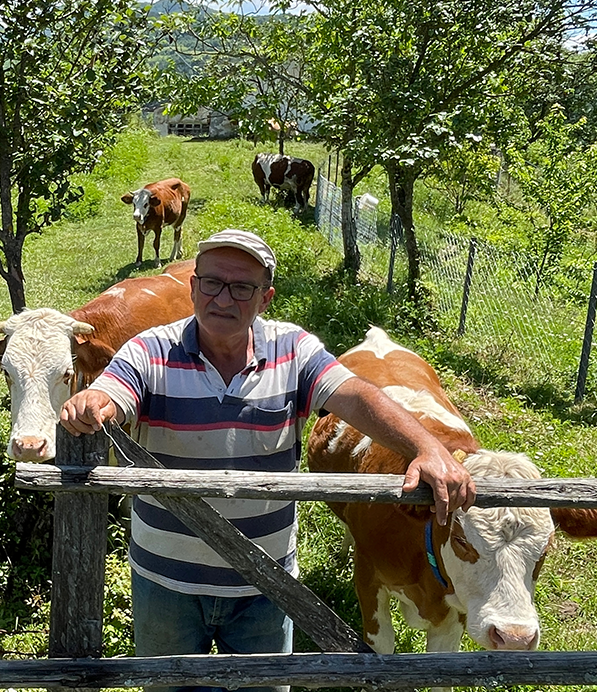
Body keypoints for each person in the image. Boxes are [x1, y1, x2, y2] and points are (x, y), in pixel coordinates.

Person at [59, 228, 475, 692]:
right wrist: (96, 401)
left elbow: (355, 396)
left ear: (266, 298)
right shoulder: (150, 349)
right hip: (166, 580)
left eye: (242, 287)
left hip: (265, 581)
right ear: (194, 286)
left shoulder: (292, 349)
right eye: (213, 283)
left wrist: (427, 447)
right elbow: (116, 389)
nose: (223, 298)